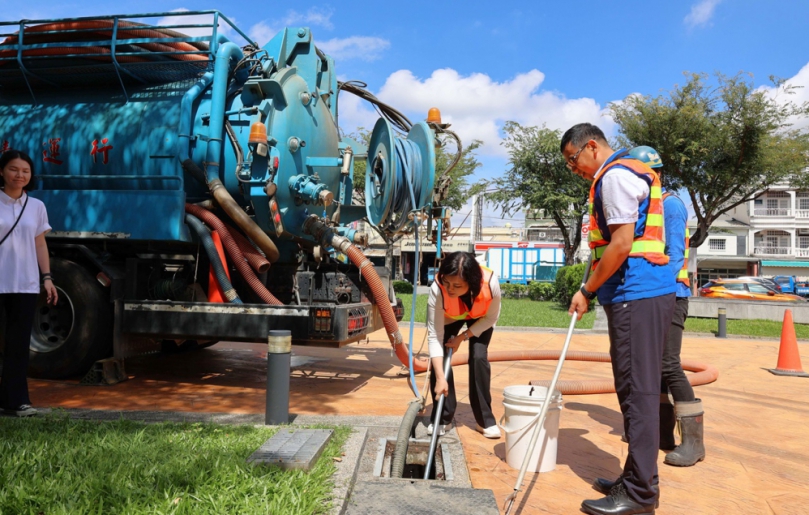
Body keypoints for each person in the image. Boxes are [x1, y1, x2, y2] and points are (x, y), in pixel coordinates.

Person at [562, 124, 676, 515]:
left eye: (573, 159)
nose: (573, 168)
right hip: (638, 294)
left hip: (636, 294)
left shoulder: (612, 177)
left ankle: (641, 494)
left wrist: (587, 291)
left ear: (590, 146)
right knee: (632, 388)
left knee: (638, 392)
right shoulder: (623, 172)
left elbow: (622, 243)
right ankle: (633, 477)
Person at [628, 146, 705, 468]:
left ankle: (694, 442)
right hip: (657, 294)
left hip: (671, 294)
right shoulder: (652, 207)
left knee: (669, 364)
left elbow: (675, 256)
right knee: (655, 366)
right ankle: (661, 433)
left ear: (652, 175)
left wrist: (654, 291)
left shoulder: (671, 205)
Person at [0, 150, 58, 417]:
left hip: (24, 284)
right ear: (2, 171)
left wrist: (47, 278)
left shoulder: (36, 206)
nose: (19, 175)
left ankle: (16, 401)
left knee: (18, 345)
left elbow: (39, 243)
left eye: (25, 171)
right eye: (13, 169)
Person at [427, 251, 502, 439]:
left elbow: (491, 318)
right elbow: (434, 336)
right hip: (449, 317)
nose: (450, 289)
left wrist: (463, 337)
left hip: (480, 318)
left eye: (457, 285)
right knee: (441, 362)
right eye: (447, 283)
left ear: (472, 282)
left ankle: (485, 421)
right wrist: (440, 377)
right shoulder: (437, 289)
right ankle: (442, 418)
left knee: (478, 356)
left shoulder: (490, 284)